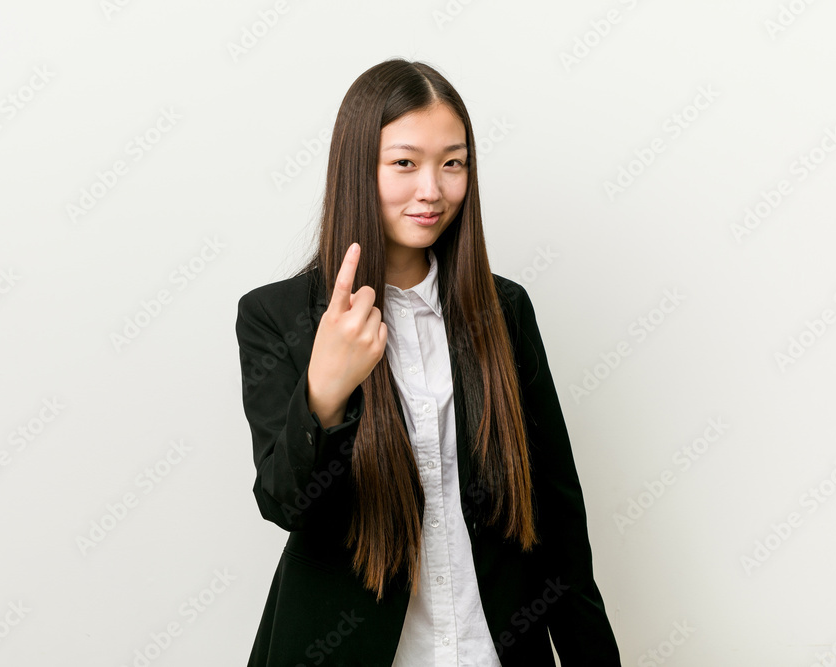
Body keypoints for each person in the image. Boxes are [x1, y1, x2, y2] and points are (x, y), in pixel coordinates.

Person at [236, 57, 621, 666]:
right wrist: (325, 393)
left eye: (453, 163)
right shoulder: (277, 316)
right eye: (405, 163)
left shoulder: (504, 310)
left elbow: (558, 517)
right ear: (358, 169)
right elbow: (287, 505)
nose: (432, 190)